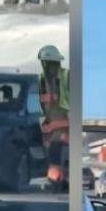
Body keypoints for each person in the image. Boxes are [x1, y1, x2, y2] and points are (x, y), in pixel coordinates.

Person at [38, 44, 70, 191]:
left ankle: (60, 180)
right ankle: (57, 181)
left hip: (64, 132)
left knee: (58, 158)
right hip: (52, 134)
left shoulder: (66, 77)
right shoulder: (41, 81)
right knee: (54, 160)